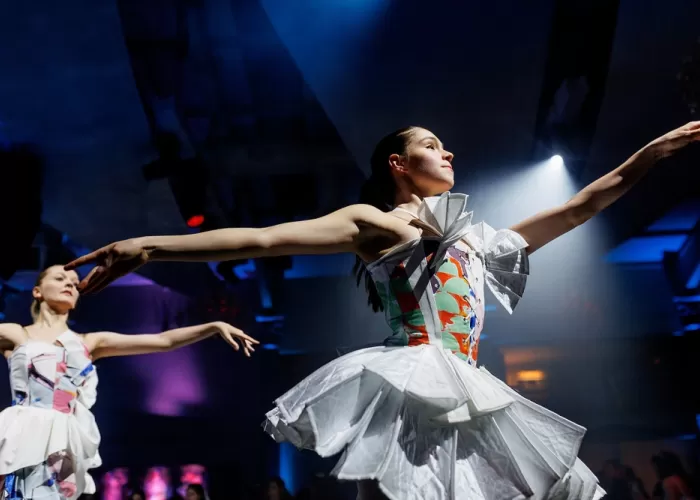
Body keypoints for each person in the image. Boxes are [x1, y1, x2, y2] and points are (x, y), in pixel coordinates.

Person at [66, 122, 700, 499]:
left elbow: (579, 208)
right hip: (420, 378)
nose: (448, 154)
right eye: (432, 145)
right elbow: (263, 238)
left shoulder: (476, 239)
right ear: (399, 164)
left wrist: (650, 154)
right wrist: (148, 245)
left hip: (471, 385)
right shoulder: (377, 222)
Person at [0, 265, 258, 499]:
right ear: (37, 291)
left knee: (57, 494)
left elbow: (162, 341)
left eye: (75, 283)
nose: (69, 284)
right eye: (60, 278)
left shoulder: (89, 342)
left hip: (63, 440)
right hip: (24, 432)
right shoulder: (16, 334)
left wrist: (212, 326)